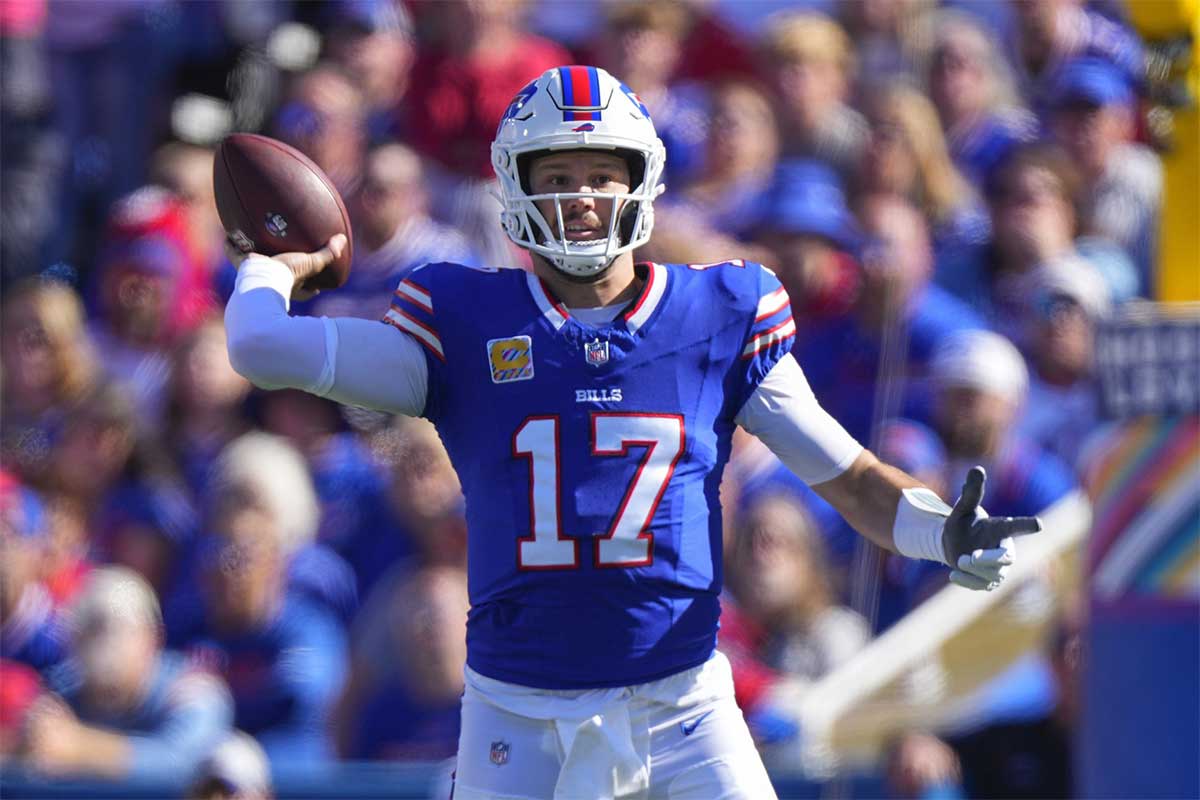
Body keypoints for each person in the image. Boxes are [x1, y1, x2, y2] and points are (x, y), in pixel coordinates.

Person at [224, 65, 1039, 799]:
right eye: (561, 175)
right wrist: (274, 259)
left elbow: (851, 476)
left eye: (601, 175)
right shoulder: (465, 323)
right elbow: (260, 345)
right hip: (519, 714)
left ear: (640, 184)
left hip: (679, 706)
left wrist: (940, 529)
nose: (581, 196)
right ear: (516, 186)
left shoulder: (719, 315)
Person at [21, 567, 233, 781]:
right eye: (88, 629)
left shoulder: (190, 688)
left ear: (152, 637)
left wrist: (82, 747)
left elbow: (189, 765)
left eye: (113, 629)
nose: (99, 643)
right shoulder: (62, 690)